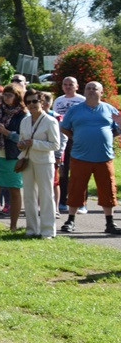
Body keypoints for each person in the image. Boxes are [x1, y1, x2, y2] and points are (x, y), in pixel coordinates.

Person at [60, 81, 121, 235]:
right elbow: (64, 127)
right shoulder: (75, 110)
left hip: (104, 157)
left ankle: (110, 223)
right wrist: (76, 137)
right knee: (76, 189)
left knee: (108, 189)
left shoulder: (109, 109)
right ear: (84, 91)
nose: (92, 91)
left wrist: (107, 136)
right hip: (80, 157)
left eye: (95, 89)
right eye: (89, 88)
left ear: (101, 92)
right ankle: (70, 221)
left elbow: (117, 128)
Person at [17, 87, 61, 238]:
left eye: (35, 101)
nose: (32, 104)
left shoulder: (50, 121)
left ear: (41, 102)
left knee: (46, 195)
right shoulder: (25, 121)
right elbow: (22, 140)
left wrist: (34, 143)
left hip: (44, 162)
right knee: (29, 195)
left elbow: (55, 145)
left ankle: (48, 231)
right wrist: (21, 144)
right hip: (27, 160)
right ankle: (31, 229)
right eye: (28, 102)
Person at [0, 83, 26, 232]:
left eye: (10, 95)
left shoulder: (23, 114)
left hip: (13, 156)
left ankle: (13, 226)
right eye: (5, 95)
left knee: (14, 190)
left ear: (17, 96)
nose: (6, 98)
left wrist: (7, 133)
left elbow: (23, 137)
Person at [53, 76, 87, 214]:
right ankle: (63, 201)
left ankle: (81, 203)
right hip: (62, 138)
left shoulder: (82, 100)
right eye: (65, 84)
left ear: (77, 86)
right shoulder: (58, 101)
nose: (68, 87)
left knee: (79, 170)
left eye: (71, 84)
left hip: (78, 137)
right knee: (63, 170)